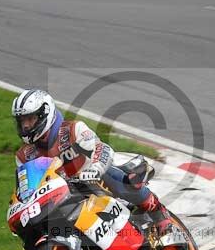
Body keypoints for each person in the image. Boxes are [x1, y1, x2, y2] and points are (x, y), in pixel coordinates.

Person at [12, 89, 171, 232]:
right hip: (63, 198)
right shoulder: (23, 155)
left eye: (30, 119)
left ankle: (157, 211)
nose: (25, 126)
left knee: (113, 176)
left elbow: (102, 149)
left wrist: (94, 170)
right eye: (21, 121)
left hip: (94, 182)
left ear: (44, 114)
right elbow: (27, 188)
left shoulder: (73, 130)